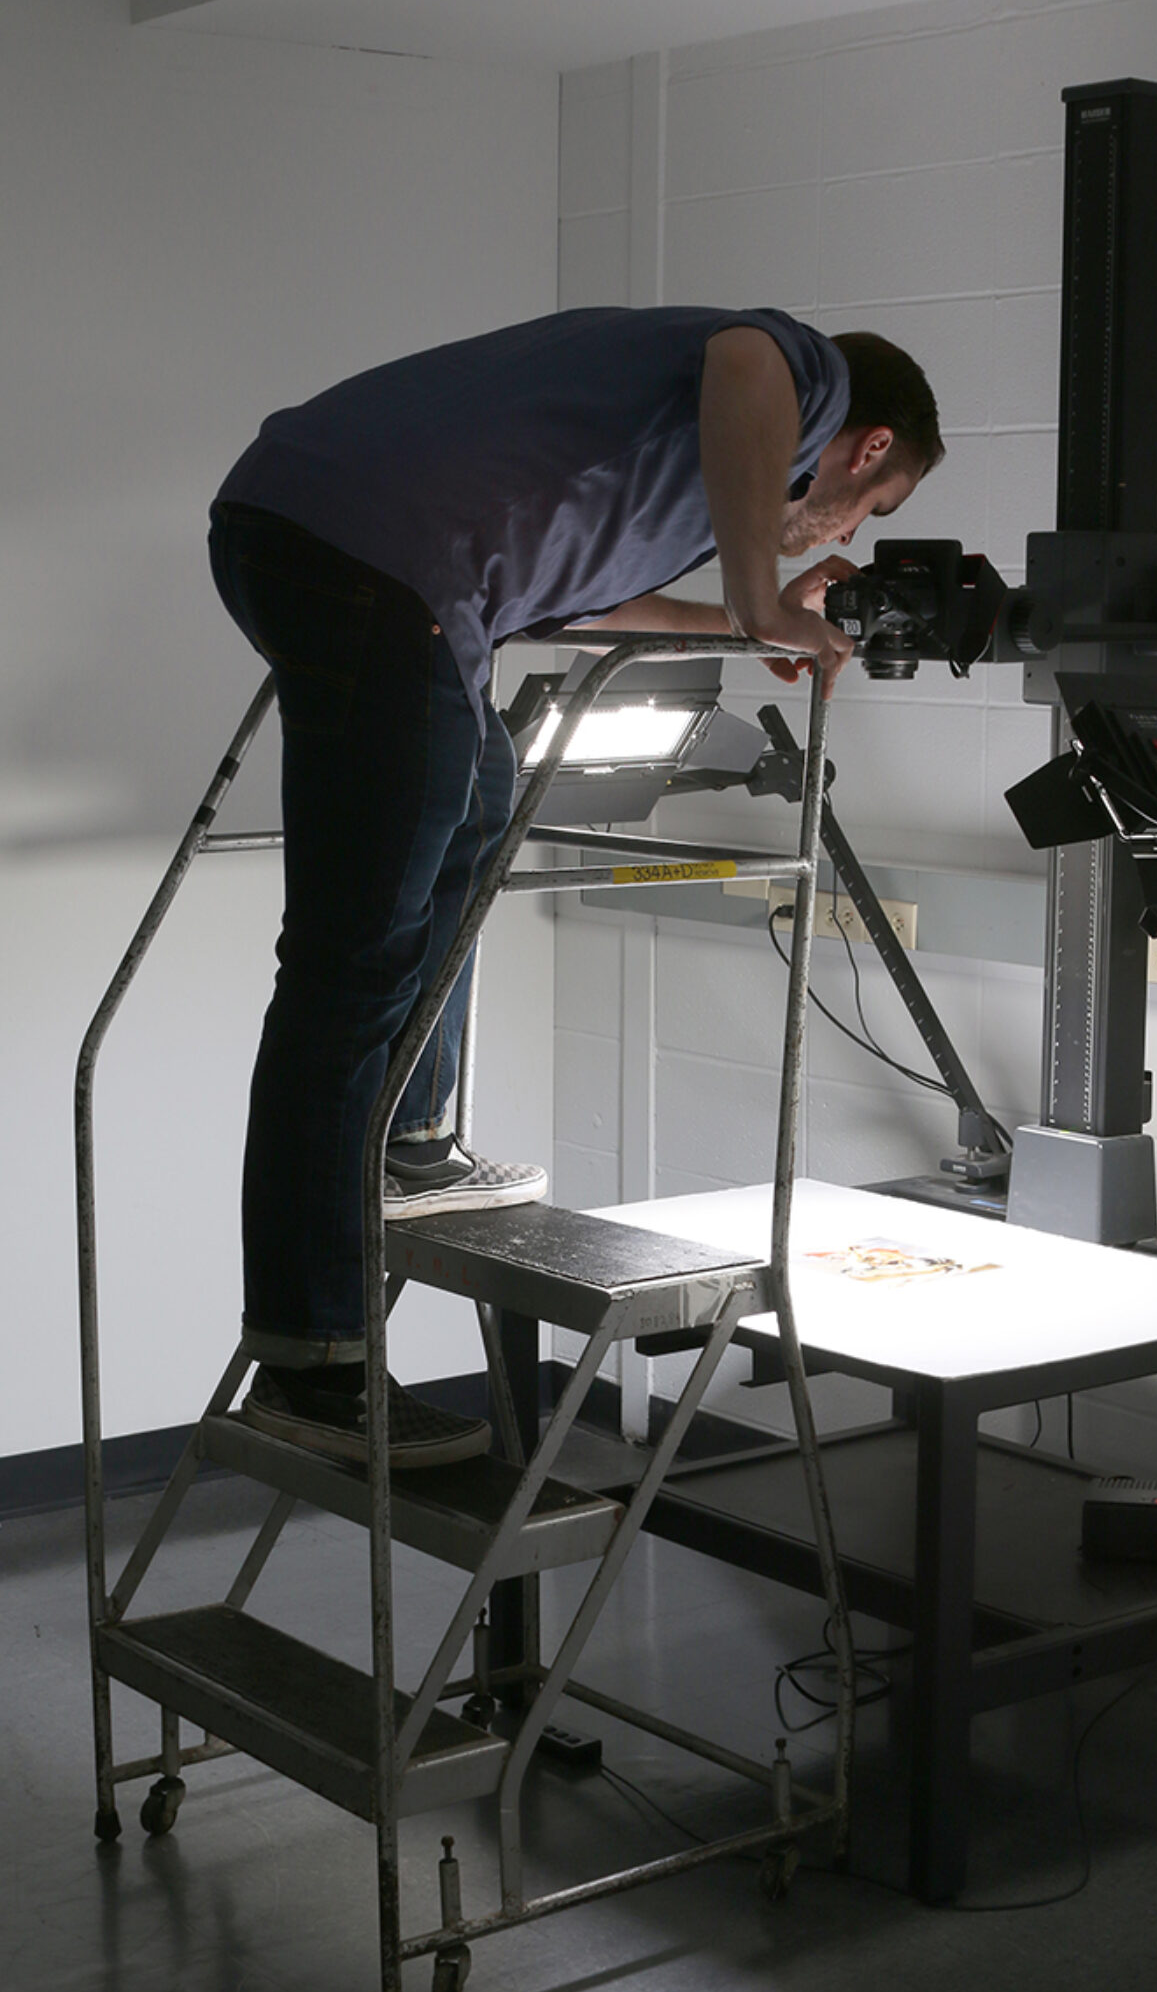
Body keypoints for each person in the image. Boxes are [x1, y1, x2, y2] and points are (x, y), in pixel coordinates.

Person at [209, 306, 942, 1466]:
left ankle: (409, 1136)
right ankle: (313, 1360)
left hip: (337, 546)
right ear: (863, 446)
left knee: (482, 801)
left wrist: (749, 624)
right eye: (867, 507)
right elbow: (746, 361)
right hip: (373, 566)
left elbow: (571, 604)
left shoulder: (689, 490)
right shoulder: (790, 375)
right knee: (351, 968)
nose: (834, 533)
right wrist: (760, 593)